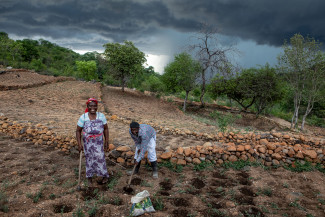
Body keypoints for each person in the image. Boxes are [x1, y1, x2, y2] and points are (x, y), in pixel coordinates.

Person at [76, 98, 109, 187]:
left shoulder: (101, 116)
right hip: (87, 143)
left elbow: (106, 129)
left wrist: (107, 142)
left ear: (97, 107)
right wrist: (79, 144)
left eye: (95, 106)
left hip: (99, 142)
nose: (93, 108)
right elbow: (78, 131)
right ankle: (89, 178)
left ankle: (104, 176)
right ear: (88, 106)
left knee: (100, 158)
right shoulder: (83, 117)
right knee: (89, 159)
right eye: (91, 106)